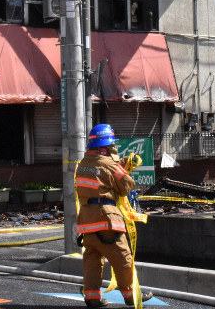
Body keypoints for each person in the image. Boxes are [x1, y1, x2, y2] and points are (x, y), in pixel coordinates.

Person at [75, 123, 152, 307]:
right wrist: (124, 167)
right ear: (104, 147)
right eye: (111, 146)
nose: (113, 149)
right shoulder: (109, 164)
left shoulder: (82, 165)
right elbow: (126, 186)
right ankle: (130, 295)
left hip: (87, 221)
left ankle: (93, 298)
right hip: (107, 220)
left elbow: (99, 180)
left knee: (93, 260)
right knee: (122, 256)